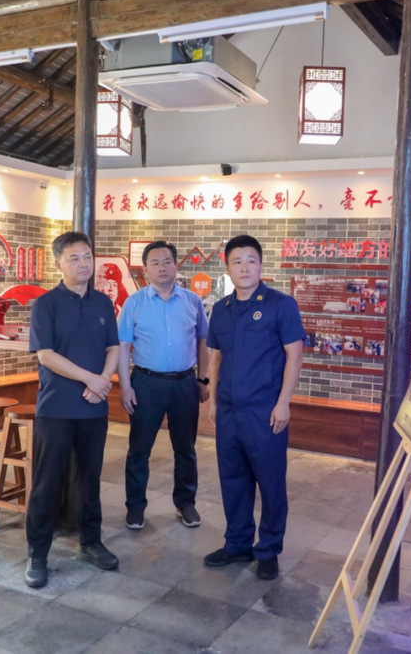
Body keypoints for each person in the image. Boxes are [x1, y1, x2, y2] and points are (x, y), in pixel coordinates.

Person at [204, 235, 304, 581]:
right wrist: (214, 401)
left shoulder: (281, 305)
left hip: (265, 412)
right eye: (237, 261)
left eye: (251, 260)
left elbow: (294, 355)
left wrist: (283, 403)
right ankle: (237, 544)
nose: (244, 267)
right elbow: (216, 357)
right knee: (233, 479)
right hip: (229, 412)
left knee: (270, 483)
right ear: (227, 267)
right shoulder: (221, 309)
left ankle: (269, 550)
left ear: (261, 265)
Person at [24, 231, 121, 589]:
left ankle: (91, 542)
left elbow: (114, 347)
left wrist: (104, 379)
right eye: (74, 258)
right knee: (46, 482)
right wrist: (90, 379)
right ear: (58, 263)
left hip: (94, 409)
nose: (83, 264)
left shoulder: (103, 303)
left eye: (87, 257)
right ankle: (37, 553)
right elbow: (46, 355)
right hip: (56, 407)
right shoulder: (46, 304)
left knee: (89, 479)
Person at [117, 240, 210, 531]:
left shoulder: (193, 301)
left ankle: (186, 503)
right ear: (146, 269)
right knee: (139, 449)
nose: (162, 267)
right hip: (146, 383)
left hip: (185, 383)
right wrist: (125, 386)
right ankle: (135, 507)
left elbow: (203, 341)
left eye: (167, 261)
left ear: (176, 265)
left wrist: (203, 379)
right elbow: (122, 347)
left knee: (186, 448)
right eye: (155, 263)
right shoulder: (134, 303)